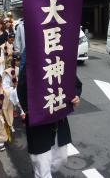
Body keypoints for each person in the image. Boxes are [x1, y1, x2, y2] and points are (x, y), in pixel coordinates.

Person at [17, 49, 82, 178]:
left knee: (62, 157)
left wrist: (75, 96)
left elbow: (74, 83)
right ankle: (41, 172)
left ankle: (40, 171)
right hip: (39, 119)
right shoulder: (32, 57)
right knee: (42, 162)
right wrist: (29, 109)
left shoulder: (61, 58)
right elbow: (22, 88)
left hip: (59, 118)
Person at [2, 52, 25, 123]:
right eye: (17, 60)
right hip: (9, 89)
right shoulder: (8, 71)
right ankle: (22, 111)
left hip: (17, 88)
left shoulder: (19, 69)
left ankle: (21, 109)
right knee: (16, 92)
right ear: (14, 61)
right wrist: (14, 87)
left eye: (20, 60)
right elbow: (5, 86)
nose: (19, 62)